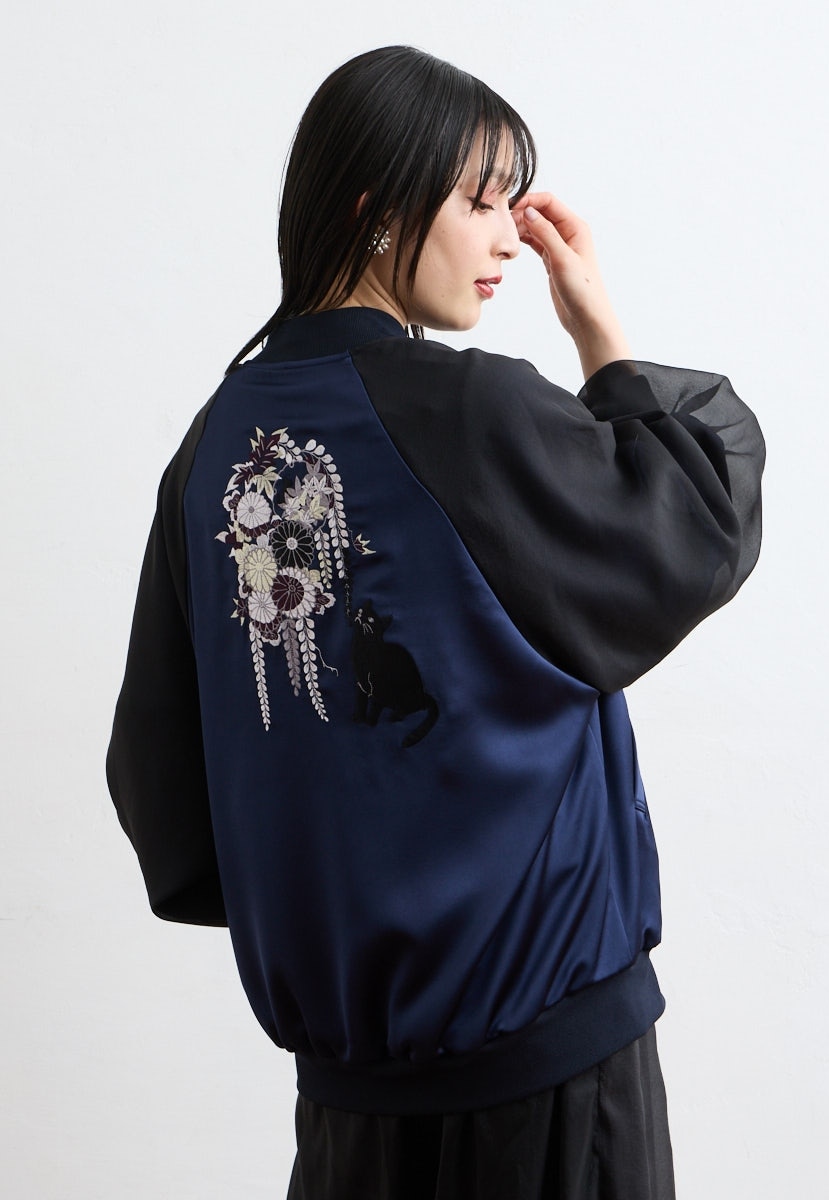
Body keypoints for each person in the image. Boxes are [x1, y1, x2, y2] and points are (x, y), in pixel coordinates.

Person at [107, 44, 764, 1200]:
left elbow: (164, 790)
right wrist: (600, 334)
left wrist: (341, 879)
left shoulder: (212, 452)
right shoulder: (472, 410)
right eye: (481, 201)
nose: (511, 238)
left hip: (350, 1118)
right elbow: (693, 524)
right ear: (377, 210)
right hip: (553, 1093)